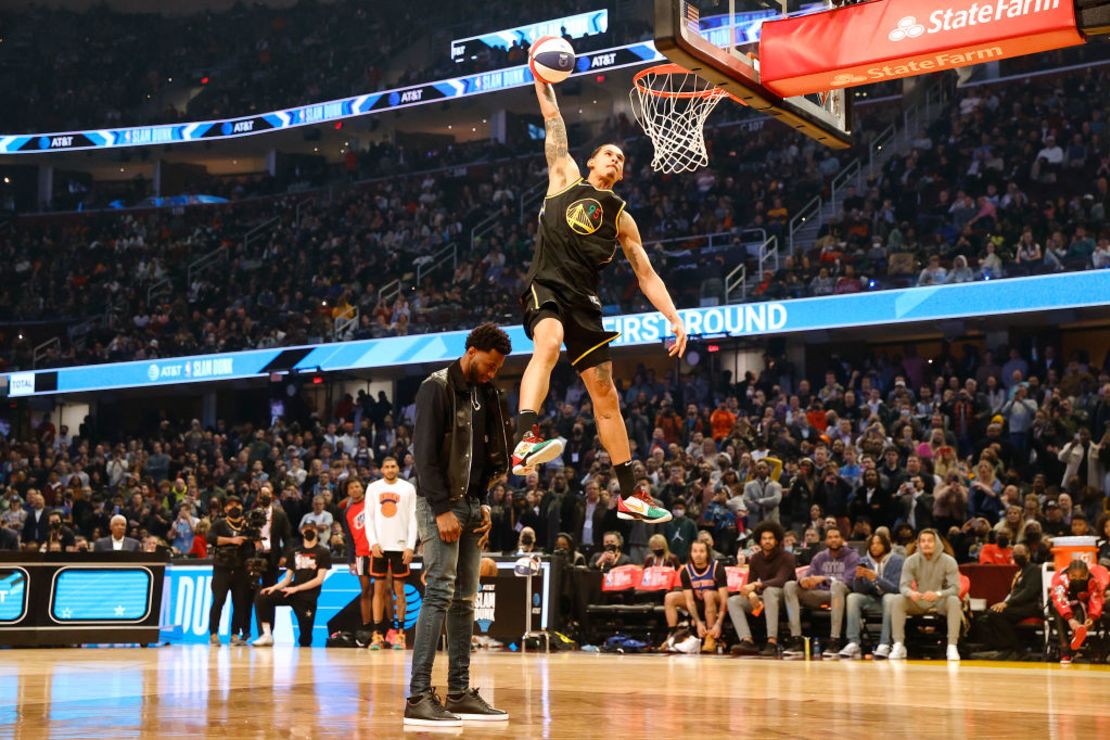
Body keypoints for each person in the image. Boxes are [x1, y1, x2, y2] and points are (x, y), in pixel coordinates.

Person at [510, 77, 687, 526]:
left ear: (622, 173)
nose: (615, 158)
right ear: (590, 161)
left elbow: (646, 274)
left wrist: (674, 318)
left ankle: (629, 494)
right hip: (546, 283)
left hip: (584, 301)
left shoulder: (622, 218)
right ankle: (525, 438)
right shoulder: (564, 175)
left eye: (621, 158)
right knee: (547, 344)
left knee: (606, 392)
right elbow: (553, 118)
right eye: (609, 152)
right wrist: (539, 77)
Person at [405, 324, 512, 727]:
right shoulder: (436, 387)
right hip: (441, 506)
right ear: (470, 351)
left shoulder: (486, 395)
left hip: (471, 506)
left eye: (498, 368)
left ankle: (459, 692)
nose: (491, 373)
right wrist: (442, 508)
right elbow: (425, 455)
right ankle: (418, 696)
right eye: (488, 364)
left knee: (466, 599)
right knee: (439, 594)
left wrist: (482, 504)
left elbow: (482, 459)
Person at [364, 456, 417, 650]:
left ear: (398, 468)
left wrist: (410, 545)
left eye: (393, 466)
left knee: (399, 591)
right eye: (386, 466)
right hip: (380, 546)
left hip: (401, 546)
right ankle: (377, 634)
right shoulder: (373, 488)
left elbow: (413, 518)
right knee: (377, 590)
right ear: (381, 469)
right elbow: (368, 518)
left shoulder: (408, 488)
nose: (390, 469)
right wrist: (373, 543)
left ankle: (400, 634)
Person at [782, 526, 860, 657]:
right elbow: (809, 575)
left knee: (837, 586)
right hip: (820, 594)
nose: (833, 540)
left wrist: (825, 578)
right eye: (830, 537)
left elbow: (849, 580)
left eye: (836, 537)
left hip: (842, 595)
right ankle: (796, 639)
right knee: (790, 585)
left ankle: (834, 640)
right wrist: (803, 581)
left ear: (843, 540)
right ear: (826, 541)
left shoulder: (852, 556)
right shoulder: (819, 557)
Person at [252, 522, 332, 647]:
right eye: (306, 528)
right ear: (301, 531)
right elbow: (287, 579)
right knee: (262, 597)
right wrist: (273, 588)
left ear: (317, 531)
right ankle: (266, 634)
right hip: (291, 592)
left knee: (305, 639)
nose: (309, 530)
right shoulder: (295, 552)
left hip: (307, 597)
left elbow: (319, 579)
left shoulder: (323, 552)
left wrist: (297, 589)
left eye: (312, 528)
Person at [890, 529, 963, 661]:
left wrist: (938, 594)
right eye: (922, 541)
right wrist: (911, 593)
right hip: (919, 599)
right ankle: (898, 644)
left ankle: (952, 646)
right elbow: (903, 586)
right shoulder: (910, 561)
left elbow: (955, 588)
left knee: (953, 600)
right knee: (898, 599)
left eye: (930, 541)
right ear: (918, 543)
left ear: (937, 543)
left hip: (940, 601)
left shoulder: (949, 561)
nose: (926, 544)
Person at [728, 520, 796, 657]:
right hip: (764, 595)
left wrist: (757, 586)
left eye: (770, 538)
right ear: (759, 540)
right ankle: (747, 641)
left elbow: (781, 580)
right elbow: (750, 584)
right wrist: (751, 594)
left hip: (785, 597)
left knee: (770, 591)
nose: (767, 541)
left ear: (777, 540)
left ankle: (772, 641)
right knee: (733, 601)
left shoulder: (788, 557)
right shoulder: (755, 559)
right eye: (764, 538)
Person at [837, 531, 905, 659]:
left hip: (891, 602)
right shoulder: (863, 561)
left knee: (889, 598)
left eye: (878, 543)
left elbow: (896, 589)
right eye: (872, 543)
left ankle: (884, 644)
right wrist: (857, 579)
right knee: (852, 597)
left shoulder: (897, 561)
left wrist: (876, 578)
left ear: (885, 545)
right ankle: (853, 643)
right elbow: (859, 590)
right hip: (872, 600)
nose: (875, 546)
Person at [974, 544, 1043, 658]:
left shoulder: (1034, 570)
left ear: (1028, 555)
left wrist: (1007, 603)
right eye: (1015, 554)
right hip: (1016, 605)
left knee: (996, 614)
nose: (1018, 556)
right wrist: (1003, 603)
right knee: (984, 617)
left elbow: (1029, 592)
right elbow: (1012, 593)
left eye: (1021, 553)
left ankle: (1015, 649)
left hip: (1029, 606)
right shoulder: (1019, 572)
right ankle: (998, 647)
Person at [207, 495, 255, 646]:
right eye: (230, 505)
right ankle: (213, 634)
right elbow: (210, 538)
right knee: (219, 601)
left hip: (241, 569)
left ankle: (235, 634)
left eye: (237, 504)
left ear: (242, 507)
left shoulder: (248, 524)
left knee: (240, 603)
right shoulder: (219, 523)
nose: (234, 507)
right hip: (222, 568)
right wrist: (231, 540)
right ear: (225, 508)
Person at [664, 540, 728, 653]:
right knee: (670, 598)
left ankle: (711, 637)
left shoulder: (717, 567)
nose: (698, 554)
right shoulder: (686, 571)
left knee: (707, 594)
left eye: (702, 551)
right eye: (695, 551)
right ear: (691, 553)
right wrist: (697, 622)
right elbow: (689, 601)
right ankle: (673, 636)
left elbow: (724, 600)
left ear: (707, 553)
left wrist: (719, 623)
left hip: (714, 602)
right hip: (697, 603)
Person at [339, 477, 377, 642]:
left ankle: (382, 628)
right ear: (348, 492)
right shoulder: (347, 512)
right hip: (361, 555)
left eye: (357, 486)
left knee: (385, 591)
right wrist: (351, 560)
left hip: (377, 552)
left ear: (362, 488)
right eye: (351, 487)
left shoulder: (372, 503)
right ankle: (366, 628)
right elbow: (349, 538)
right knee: (365, 591)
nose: (354, 489)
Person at [1050, 559, 1108, 664]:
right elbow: (1059, 599)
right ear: (1068, 574)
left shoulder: (1095, 578)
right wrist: (1070, 619)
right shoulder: (1060, 578)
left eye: (1082, 577)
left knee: (1079, 609)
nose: (1078, 580)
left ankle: (1074, 643)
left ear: (1087, 574)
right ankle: (1065, 648)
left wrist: (1092, 617)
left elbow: (1096, 599)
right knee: (1056, 609)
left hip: (1082, 606)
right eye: (1074, 577)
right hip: (1062, 605)